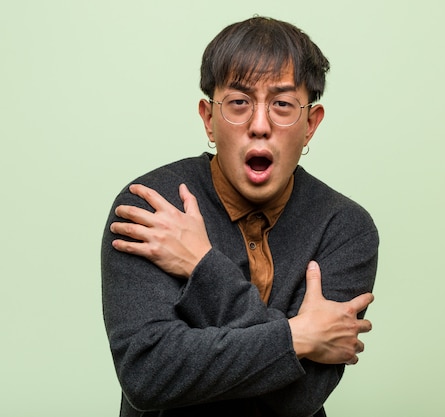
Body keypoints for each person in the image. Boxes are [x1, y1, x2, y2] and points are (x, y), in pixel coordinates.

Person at [101, 16, 379, 417]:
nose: (260, 125)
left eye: (283, 105)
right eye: (238, 103)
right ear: (209, 119)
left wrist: (200, 264)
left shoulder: (345, 228)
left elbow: (300, 397)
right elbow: (148, 375)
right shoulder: (153, 206)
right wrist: (297, 337)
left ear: (311, 125)